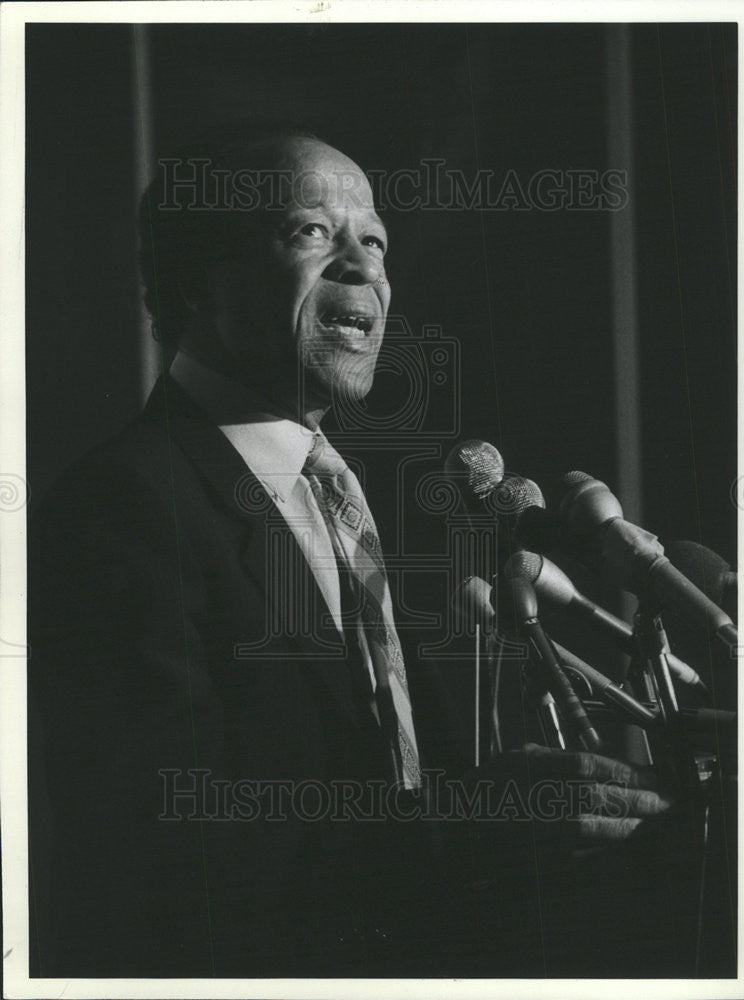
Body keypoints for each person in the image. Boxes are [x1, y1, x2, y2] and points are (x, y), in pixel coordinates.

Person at [28, 124, 682, 979]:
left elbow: (400, 787)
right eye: (311, 231)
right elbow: (166, 846)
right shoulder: (118, 504)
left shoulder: (352, 499)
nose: (365, 267)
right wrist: (473, 825)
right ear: (193, 279)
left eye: (375, 241)